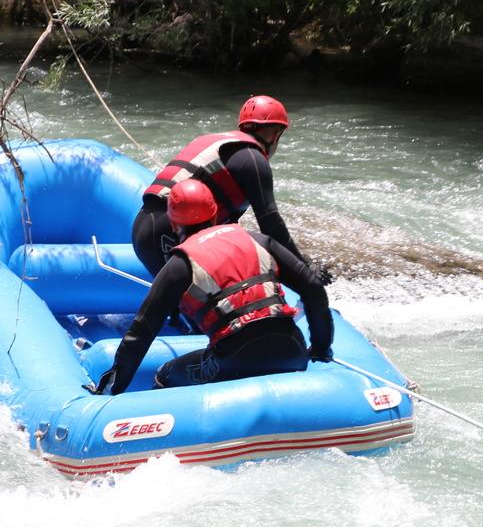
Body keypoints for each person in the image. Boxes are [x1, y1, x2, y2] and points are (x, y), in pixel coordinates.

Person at [97, 179, 333, 395]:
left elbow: (141, 331)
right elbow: (313, 287)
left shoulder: (180, 264)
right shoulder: (258, 239)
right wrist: (321, 349)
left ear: (173, 223)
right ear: (215, 212)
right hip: (293, 350)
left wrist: (113, 387)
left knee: (165, 375)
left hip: (233, 360)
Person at [131, 94, 331, 283]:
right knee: (203, 301)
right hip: (167, 233)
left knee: (183, 303)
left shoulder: (219, 143)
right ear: (276, 134)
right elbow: (272, 226)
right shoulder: (253, 159)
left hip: (144, 227)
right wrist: (303, 271)